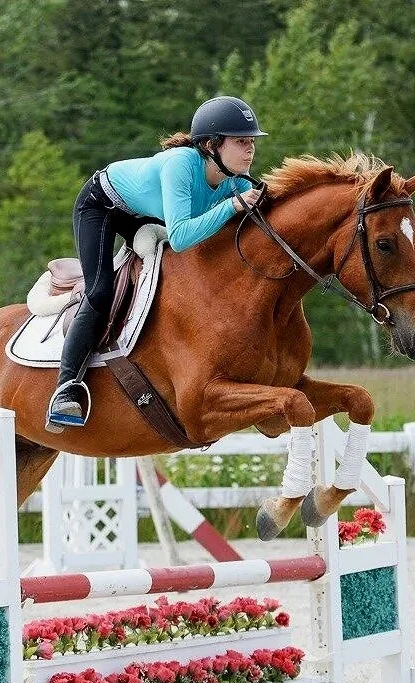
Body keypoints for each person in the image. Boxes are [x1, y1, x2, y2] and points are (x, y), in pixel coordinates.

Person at [45, 95, 267, 433]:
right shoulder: (181, 164)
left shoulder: (236, 177)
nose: (249, 150)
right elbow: (180, 236)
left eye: (251, 142)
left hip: (144, 213)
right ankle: (65, 388)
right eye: (241, 142)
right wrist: (232, 206)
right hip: (103, 206)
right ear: (211, 145)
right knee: (101, 291)